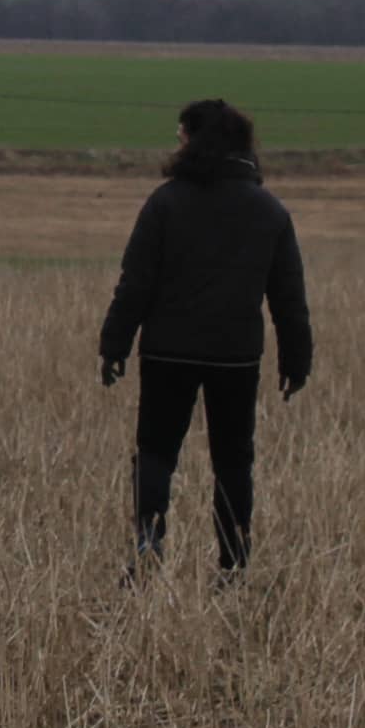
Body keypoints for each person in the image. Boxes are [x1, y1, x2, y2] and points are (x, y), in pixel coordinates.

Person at [97, 97, 310, 578]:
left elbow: (135, 283)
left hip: (167, 351)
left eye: (182, 136)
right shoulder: (269, 211)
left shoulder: (165, 203)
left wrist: (114, 344)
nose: (178, 144)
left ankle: (149, 544)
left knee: (155, 453)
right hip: (236, 358)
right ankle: (233, 563)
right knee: (234, 462)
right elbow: (289, 299)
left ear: (197, 142)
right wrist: (297, 361)